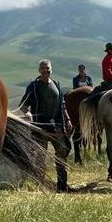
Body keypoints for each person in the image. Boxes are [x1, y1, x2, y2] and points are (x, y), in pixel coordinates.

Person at [19, 59, 71, 192]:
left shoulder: (57, 84)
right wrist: (28, 113)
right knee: (40, 158)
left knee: (61, 155)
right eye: (42, 68)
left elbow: (62, 104)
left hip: (57, 126)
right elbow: (23, 105)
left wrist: (68, 120)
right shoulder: (34, 86)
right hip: (40, 126)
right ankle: (40, 187)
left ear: (51, 69)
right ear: (39, 70)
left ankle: (62, 186)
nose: (45, 70)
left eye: (47, 68)